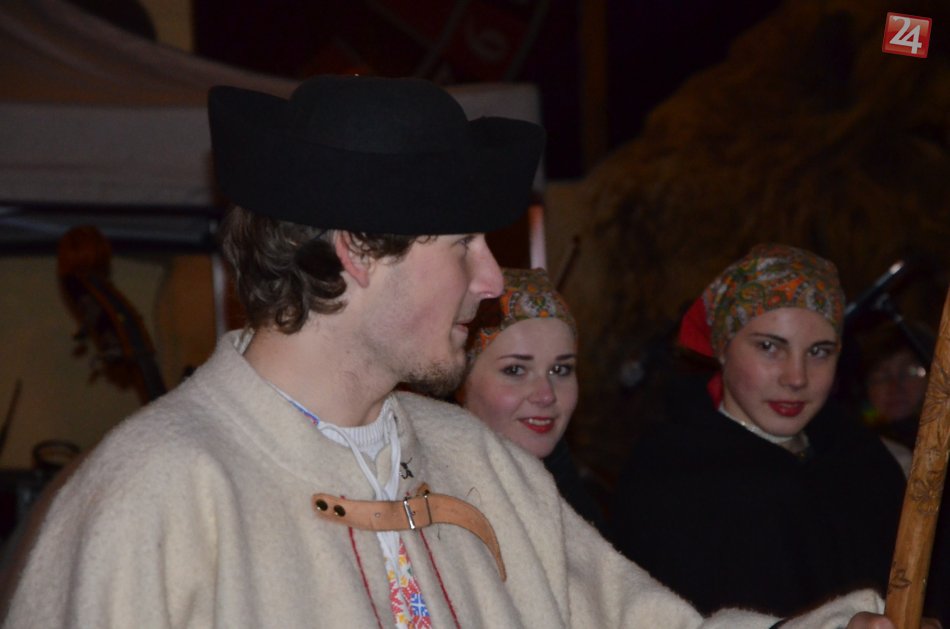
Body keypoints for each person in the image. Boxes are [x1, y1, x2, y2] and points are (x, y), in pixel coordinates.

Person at [2, 78, 896, 628]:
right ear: (358, 249)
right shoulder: (149, 497)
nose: (489, 279)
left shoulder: (478, 463)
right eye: (462, 243)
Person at [610, 243, 909, 619]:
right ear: (722, 347)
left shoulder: (861, 461)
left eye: (819, 351)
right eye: (769, 347)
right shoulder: (670, 474)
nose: (796, 378)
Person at [457, 267, 605, 531]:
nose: (546, 395)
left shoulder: (579, 507)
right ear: (462, 380)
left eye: (560, 370)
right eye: (515, 370)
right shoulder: (428, 500)